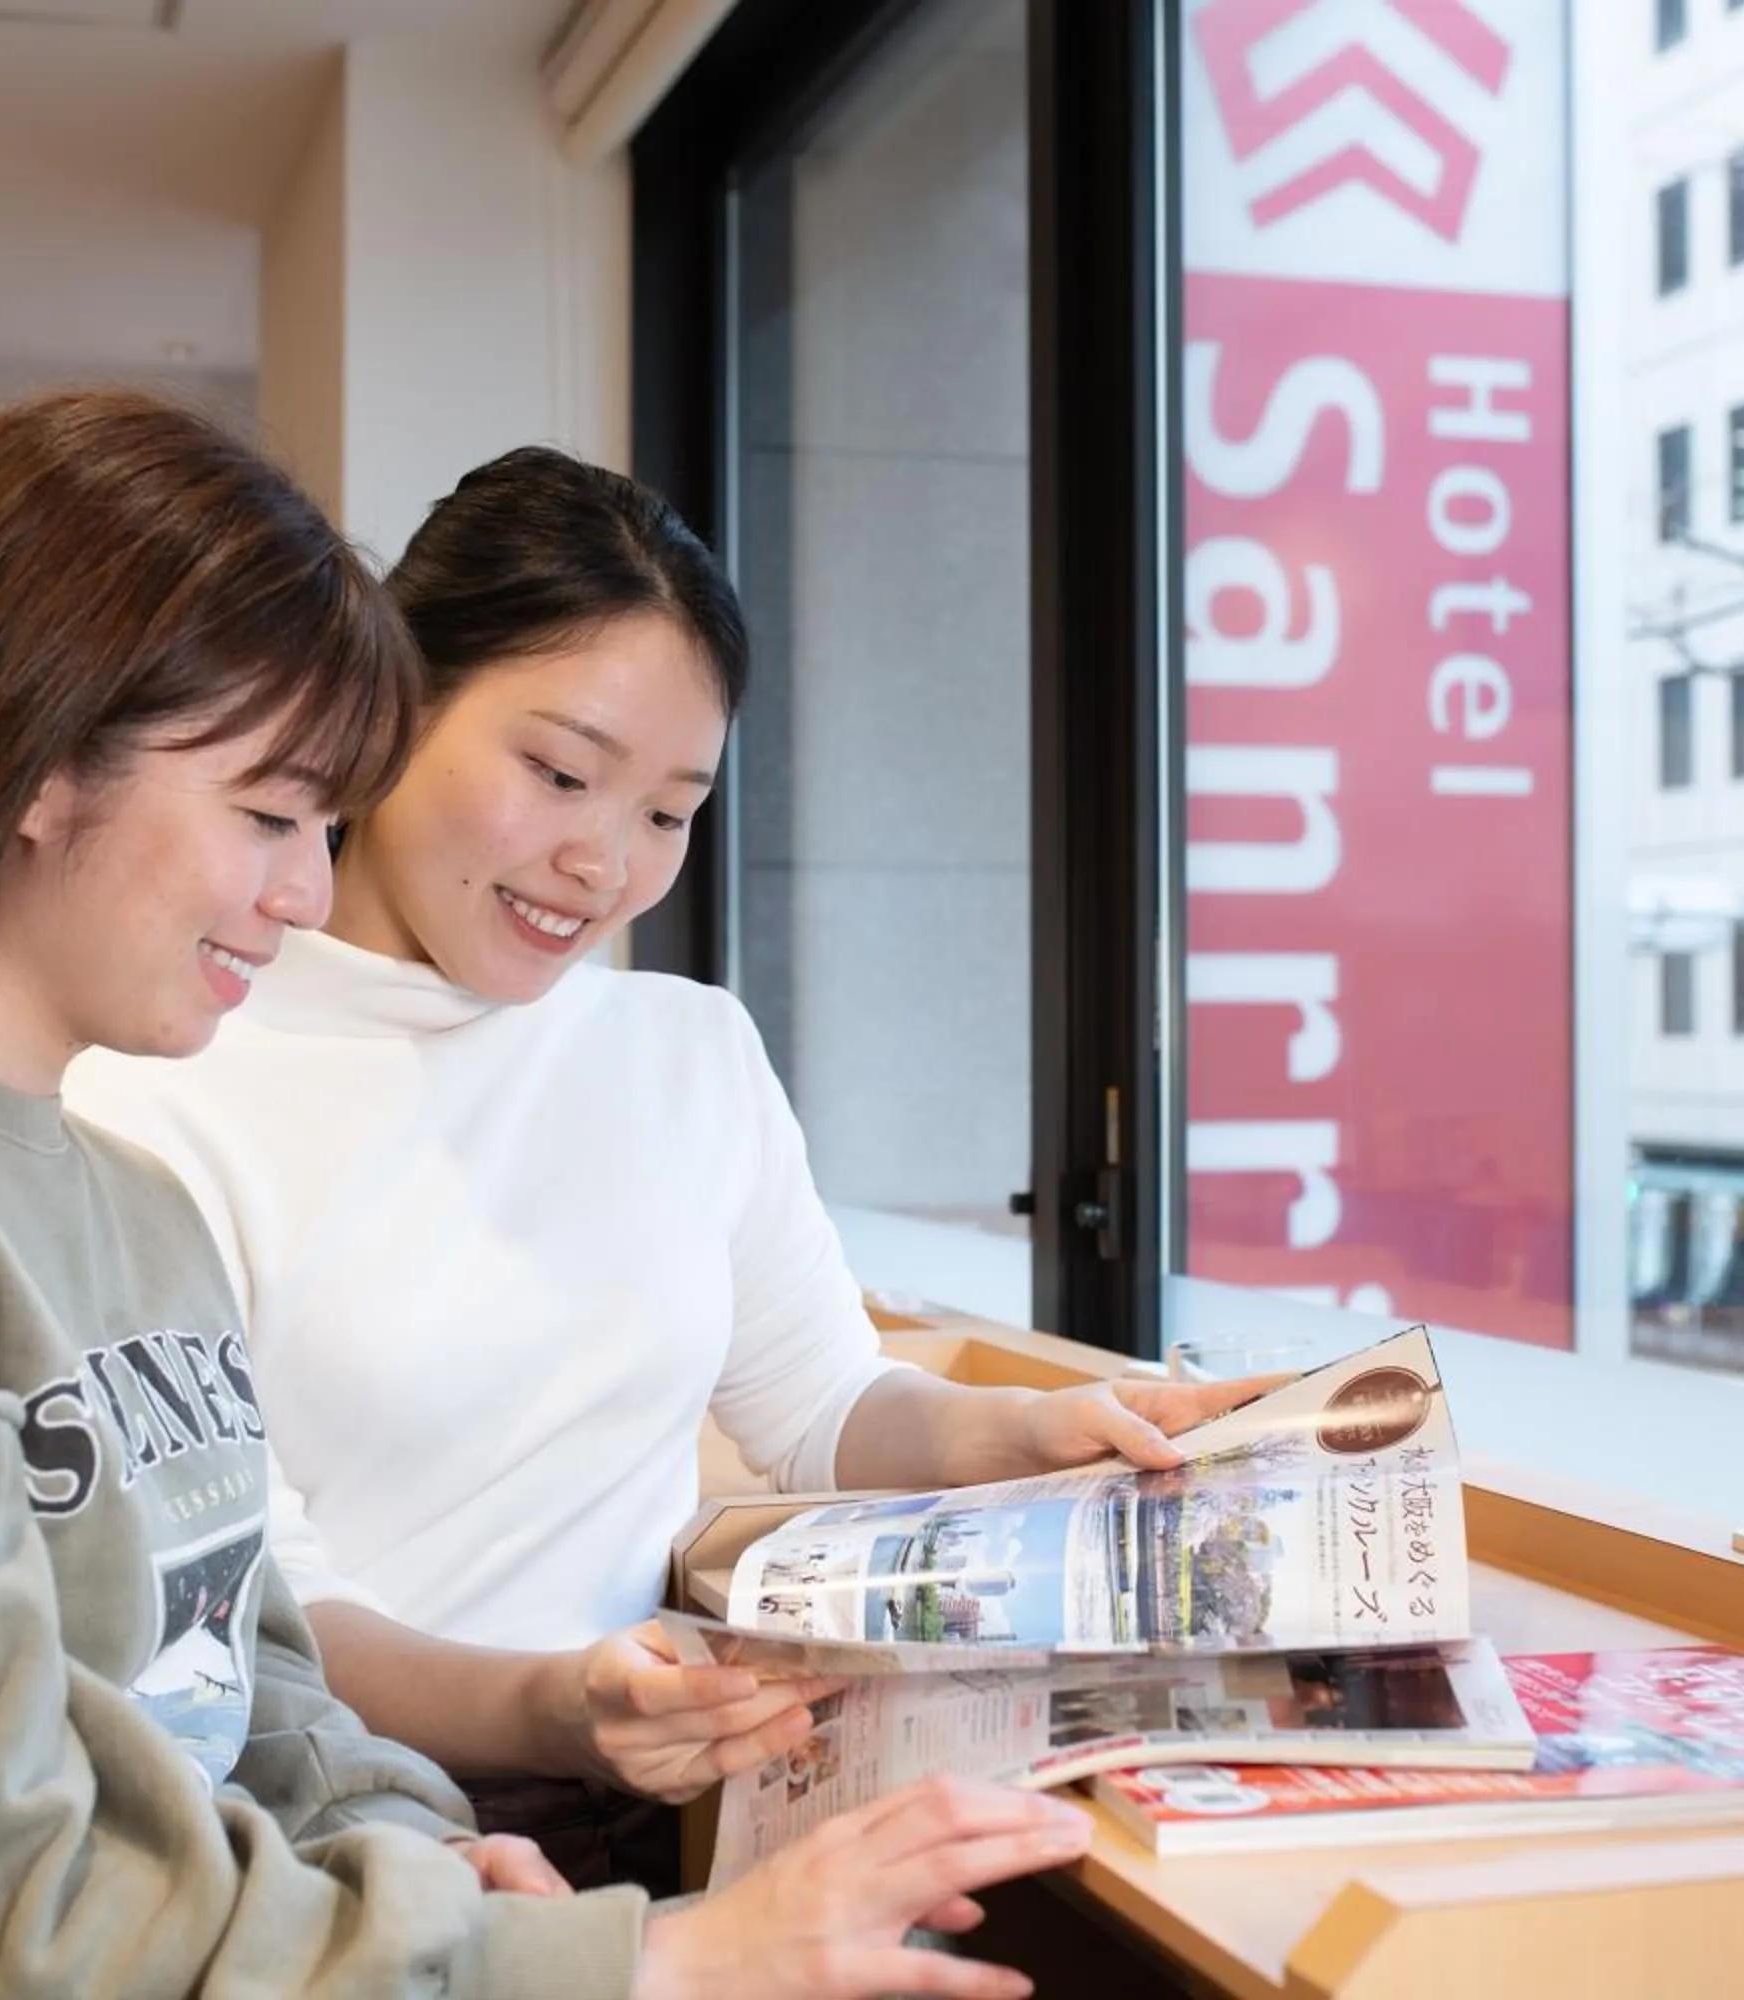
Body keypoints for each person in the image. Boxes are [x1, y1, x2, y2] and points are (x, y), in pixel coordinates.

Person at [0, 392, 1092, 2000]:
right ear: (36, 758)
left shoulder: (115, 1201)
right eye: (267, 813)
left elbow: (251, 1679)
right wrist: (624, 1963)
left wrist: (420, 1856)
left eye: (323, 817)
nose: (307, 886)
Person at [65, 446, 1267, 1887]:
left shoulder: (687, 1053)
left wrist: (1044, 1433)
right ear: (389, 710)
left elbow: (822, 1406)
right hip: (323, 1831)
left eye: (667, 812)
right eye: (561, 774)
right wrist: (559, 1707)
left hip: (659, 1796)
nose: (605, 864)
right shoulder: (165, 1074)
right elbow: (245, 1601)